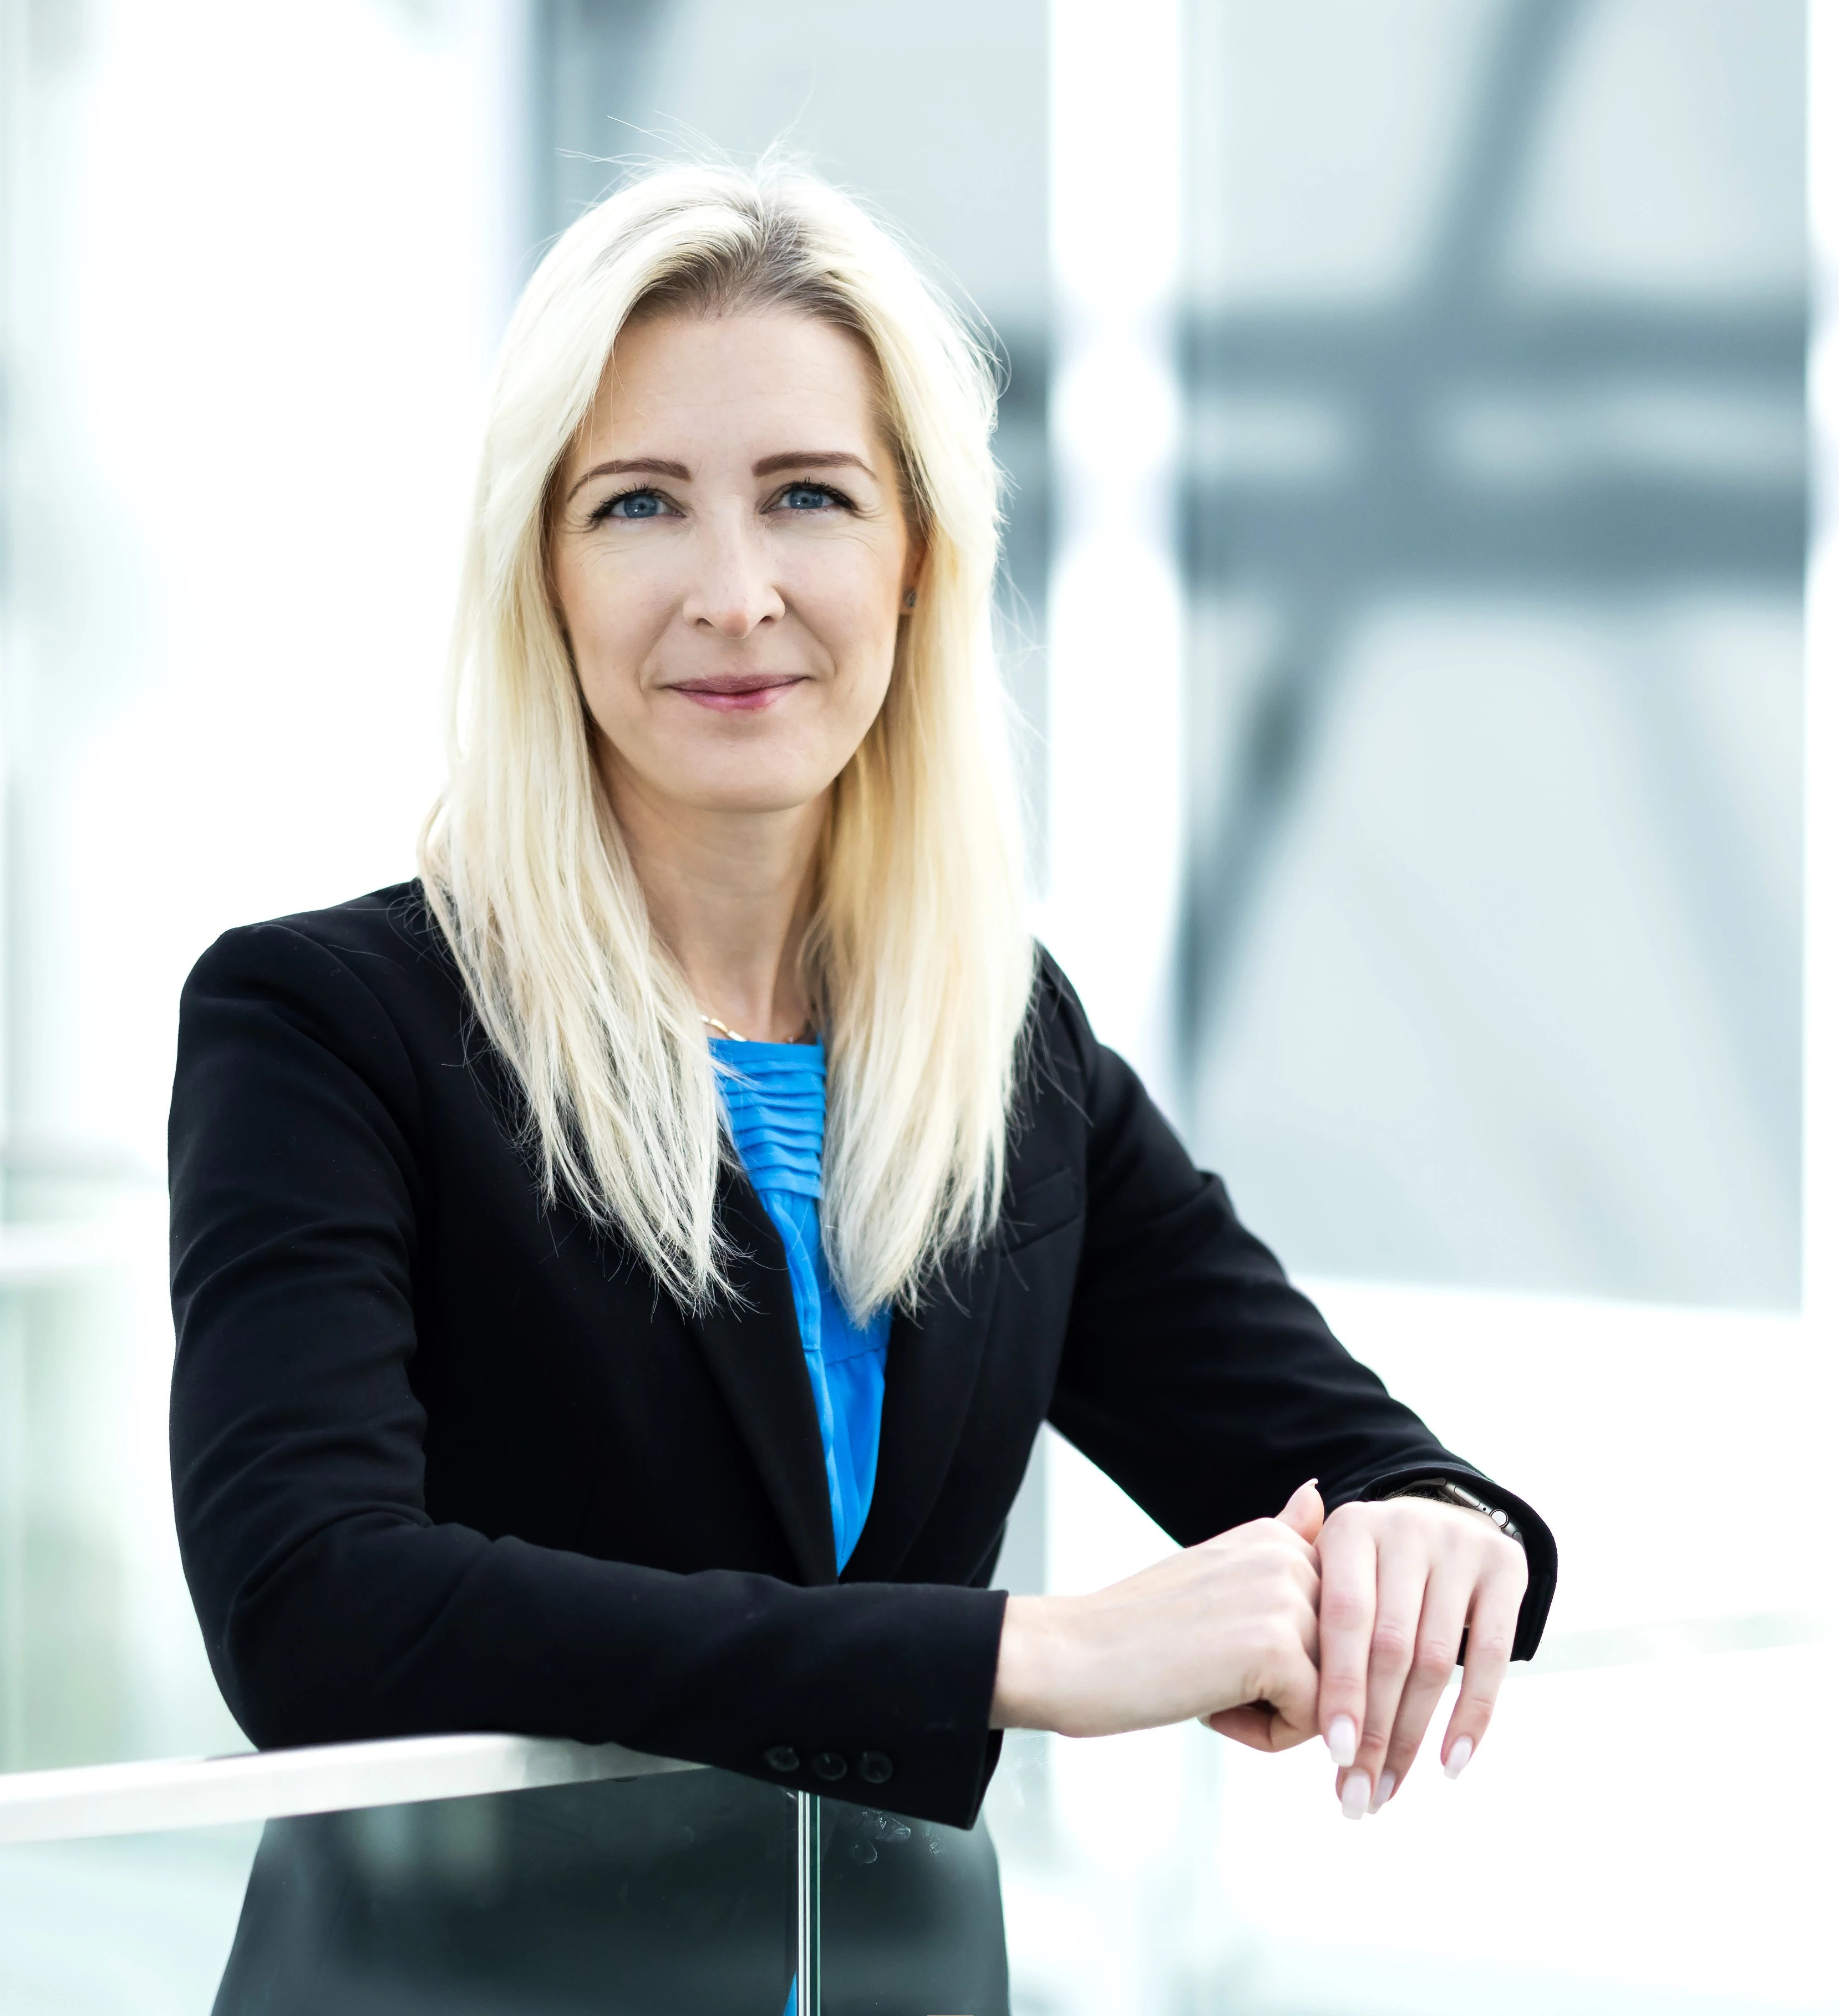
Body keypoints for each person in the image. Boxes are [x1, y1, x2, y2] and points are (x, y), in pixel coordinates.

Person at [169, 163, 1556, 2014]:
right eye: (639, 504)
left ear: (917, 555)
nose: (735, 595)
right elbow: (315, 1610)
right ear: (543, 571)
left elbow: (1357, 1457)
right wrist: (1013, 1656)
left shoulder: (997, 1047)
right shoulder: (330, 1022)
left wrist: (1430, 1528)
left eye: (808, 497)